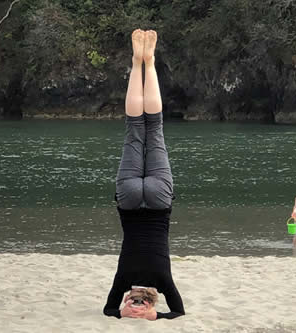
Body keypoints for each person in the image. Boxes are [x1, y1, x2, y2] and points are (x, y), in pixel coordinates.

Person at [103, 29, 185, 320]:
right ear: (138, 300)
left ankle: (148, 62)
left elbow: (178, 311)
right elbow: (108, 310)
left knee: (155, 127)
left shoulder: (163, 280)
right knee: (134, 128)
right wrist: (125, 315)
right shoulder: (124, 280)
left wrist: (157, 316)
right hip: (128, 199)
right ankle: (138, 61)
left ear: (153, 299)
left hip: (160, 201)